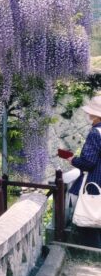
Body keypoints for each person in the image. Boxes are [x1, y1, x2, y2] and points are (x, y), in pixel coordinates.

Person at [59, 94, 101, 248]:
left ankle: (93, 256)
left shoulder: (96, 133)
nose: (88, 115)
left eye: (90, 113)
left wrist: (72, 160)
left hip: (95, 182)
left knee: (90, 221)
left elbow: (88, 162)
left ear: (96, 116)